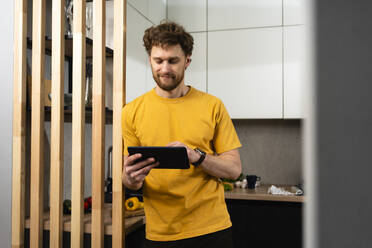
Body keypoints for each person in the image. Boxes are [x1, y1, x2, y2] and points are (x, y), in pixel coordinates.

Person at [121, 21, 242, 248]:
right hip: (160, 233)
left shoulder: (212, 106)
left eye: (173, 61)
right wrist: (130, 178)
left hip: (211, 229)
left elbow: (234, 170)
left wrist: (197, 157)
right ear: (150, 60)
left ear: (187, 61)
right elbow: (130, 180)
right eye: (158, 60)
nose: (165, 68)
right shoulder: (131, 112)